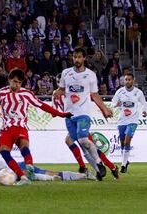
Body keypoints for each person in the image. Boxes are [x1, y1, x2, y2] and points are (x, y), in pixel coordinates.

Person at [0, 69, 72, 185]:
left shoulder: (27, 94)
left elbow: (42, 106)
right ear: (9, 80)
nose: (17, 85)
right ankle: (23, 177)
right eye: (15, 82)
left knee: (24, 146)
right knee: (4, 151)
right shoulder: (1, 92)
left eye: (19, 83)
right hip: (6, 128)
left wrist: (61, 114)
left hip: (20, 126)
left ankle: (29, 166)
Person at [53, 48, 113, 181]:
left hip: (83, 113)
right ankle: (96, 170)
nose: (77, 60)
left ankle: (98, 163)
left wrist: (104, 109)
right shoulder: (65, 73)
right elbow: (62, 90)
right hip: (69, 114)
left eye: (79, 57)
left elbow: (94, 95)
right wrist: (56, 93)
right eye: (75, 57)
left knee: (83, 140)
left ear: (84, 58)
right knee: (78, 145)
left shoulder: (91, 74)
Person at [0, 153, 96, 182]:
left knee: (53, 174)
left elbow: (3, 169)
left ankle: (84, 175)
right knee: (51, 178)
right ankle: (83, 176)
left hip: (21, 168)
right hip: (20, 175)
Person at [112, 73, 147, 173]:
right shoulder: (120, 91)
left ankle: (123, 165)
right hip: (122, 120)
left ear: (133, 81)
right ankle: (125, 161)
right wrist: (116, 104)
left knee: (127, 141)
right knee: (122, 142)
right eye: (126, 79)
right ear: (124, 81)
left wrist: (144, 111)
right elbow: (113, 102)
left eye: (129, 79)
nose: (127, 81)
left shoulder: (138, 92)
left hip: (133, 120)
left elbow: (144, 103)